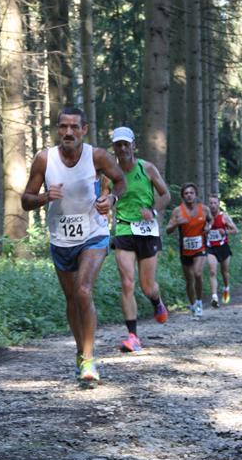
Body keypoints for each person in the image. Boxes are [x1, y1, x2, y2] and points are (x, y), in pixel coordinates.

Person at [21, 106, 126, 385]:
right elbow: (26, 200)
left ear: (84, 130)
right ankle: (81, 352)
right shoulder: (45, 159)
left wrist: (111, 199)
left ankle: (90, 359)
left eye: (74, 127)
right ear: (58, 129)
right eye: (63, 126)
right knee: (71, 298)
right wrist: (44, 197)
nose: (68, 132)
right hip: (61, 237)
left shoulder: (97, 156)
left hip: (94, 233)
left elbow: (120, 181)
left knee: (83, 290)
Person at [110, 126, 171, 353]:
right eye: (118, 145)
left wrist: (153, 211)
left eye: (126, 144)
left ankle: (156, 300)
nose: (123, 148)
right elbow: (105, 197)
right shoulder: (110, 172)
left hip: (147, 230)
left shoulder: (147, 168)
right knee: (127, 283)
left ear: (134, 146)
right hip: (124, 229)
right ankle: (133, 336)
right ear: (114, 148)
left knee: (147, 286)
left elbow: (166, 195)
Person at [166, 183, 212, 317]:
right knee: (189, 280)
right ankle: (192, 305)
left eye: (191, 193)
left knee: (197, 273)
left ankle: (199, 303)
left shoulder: (204, 209)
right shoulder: (178, 211)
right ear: (183, 196)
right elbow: (168, 229)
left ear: (196, 195)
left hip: (200, 247)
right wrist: (176, 223)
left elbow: (211, 220)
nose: (189, 195)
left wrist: (208, 227)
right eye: (186, 193)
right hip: (185, 250)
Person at [205, 195, 238, 306]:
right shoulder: (206, 217)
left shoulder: (224, 217)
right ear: (208, 204)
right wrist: (205, 230)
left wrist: (226, 232)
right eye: (211, 203)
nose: (213, 205)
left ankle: (226, 288)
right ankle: (214, 297)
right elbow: (201, 231)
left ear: (218, 204)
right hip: (210, 248)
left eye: (215, 203)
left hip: (223, 247)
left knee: (224, 272)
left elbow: (235, 230)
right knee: (212, 271)